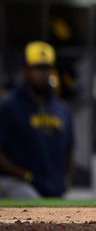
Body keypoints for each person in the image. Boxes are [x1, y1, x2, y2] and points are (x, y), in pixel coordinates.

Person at [0, 41, 73, 198]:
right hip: (17, 182)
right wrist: (24, 174)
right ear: (26, 70)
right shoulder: (9, 105)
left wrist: (62, 179)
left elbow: (68, 149)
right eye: (37, 68)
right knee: (29, 198)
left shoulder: (61, 108)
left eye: (47, 68)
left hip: (52, 184)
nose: (43, 73)